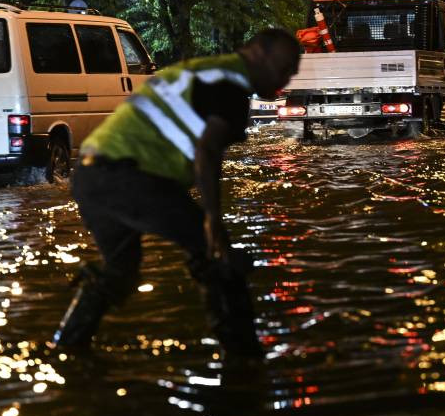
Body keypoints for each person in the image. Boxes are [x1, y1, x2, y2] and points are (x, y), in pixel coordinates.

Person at [52, 28, 301, 356]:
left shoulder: (201, 70)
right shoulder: (230, 86)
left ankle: (67, 348)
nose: (285, 80)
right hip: (129, 178)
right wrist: (213, 220)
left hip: (89, 176)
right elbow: (208, 152)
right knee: (217, 256)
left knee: (120, 271)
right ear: (256, 53)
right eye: (282, 69)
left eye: (291, 73)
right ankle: (244, 362)